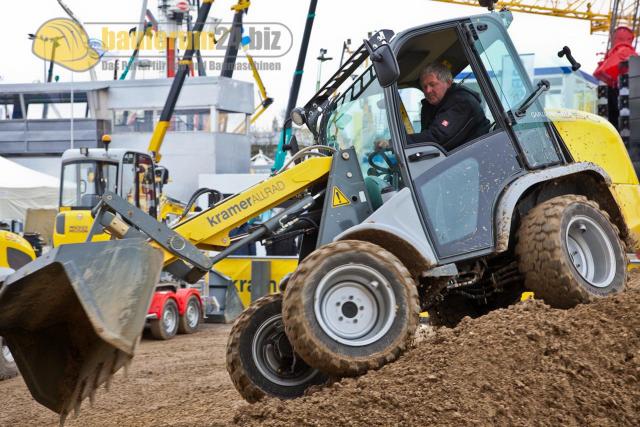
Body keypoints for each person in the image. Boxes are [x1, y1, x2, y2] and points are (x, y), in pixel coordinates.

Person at [407, 63, 490, 151]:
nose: (428, 90)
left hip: (477, 156)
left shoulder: (462, 102)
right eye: (425, 86)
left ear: (448, 83)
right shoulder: (430, 107)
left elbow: (437, 138)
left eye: (432, 84)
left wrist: (400, 143)